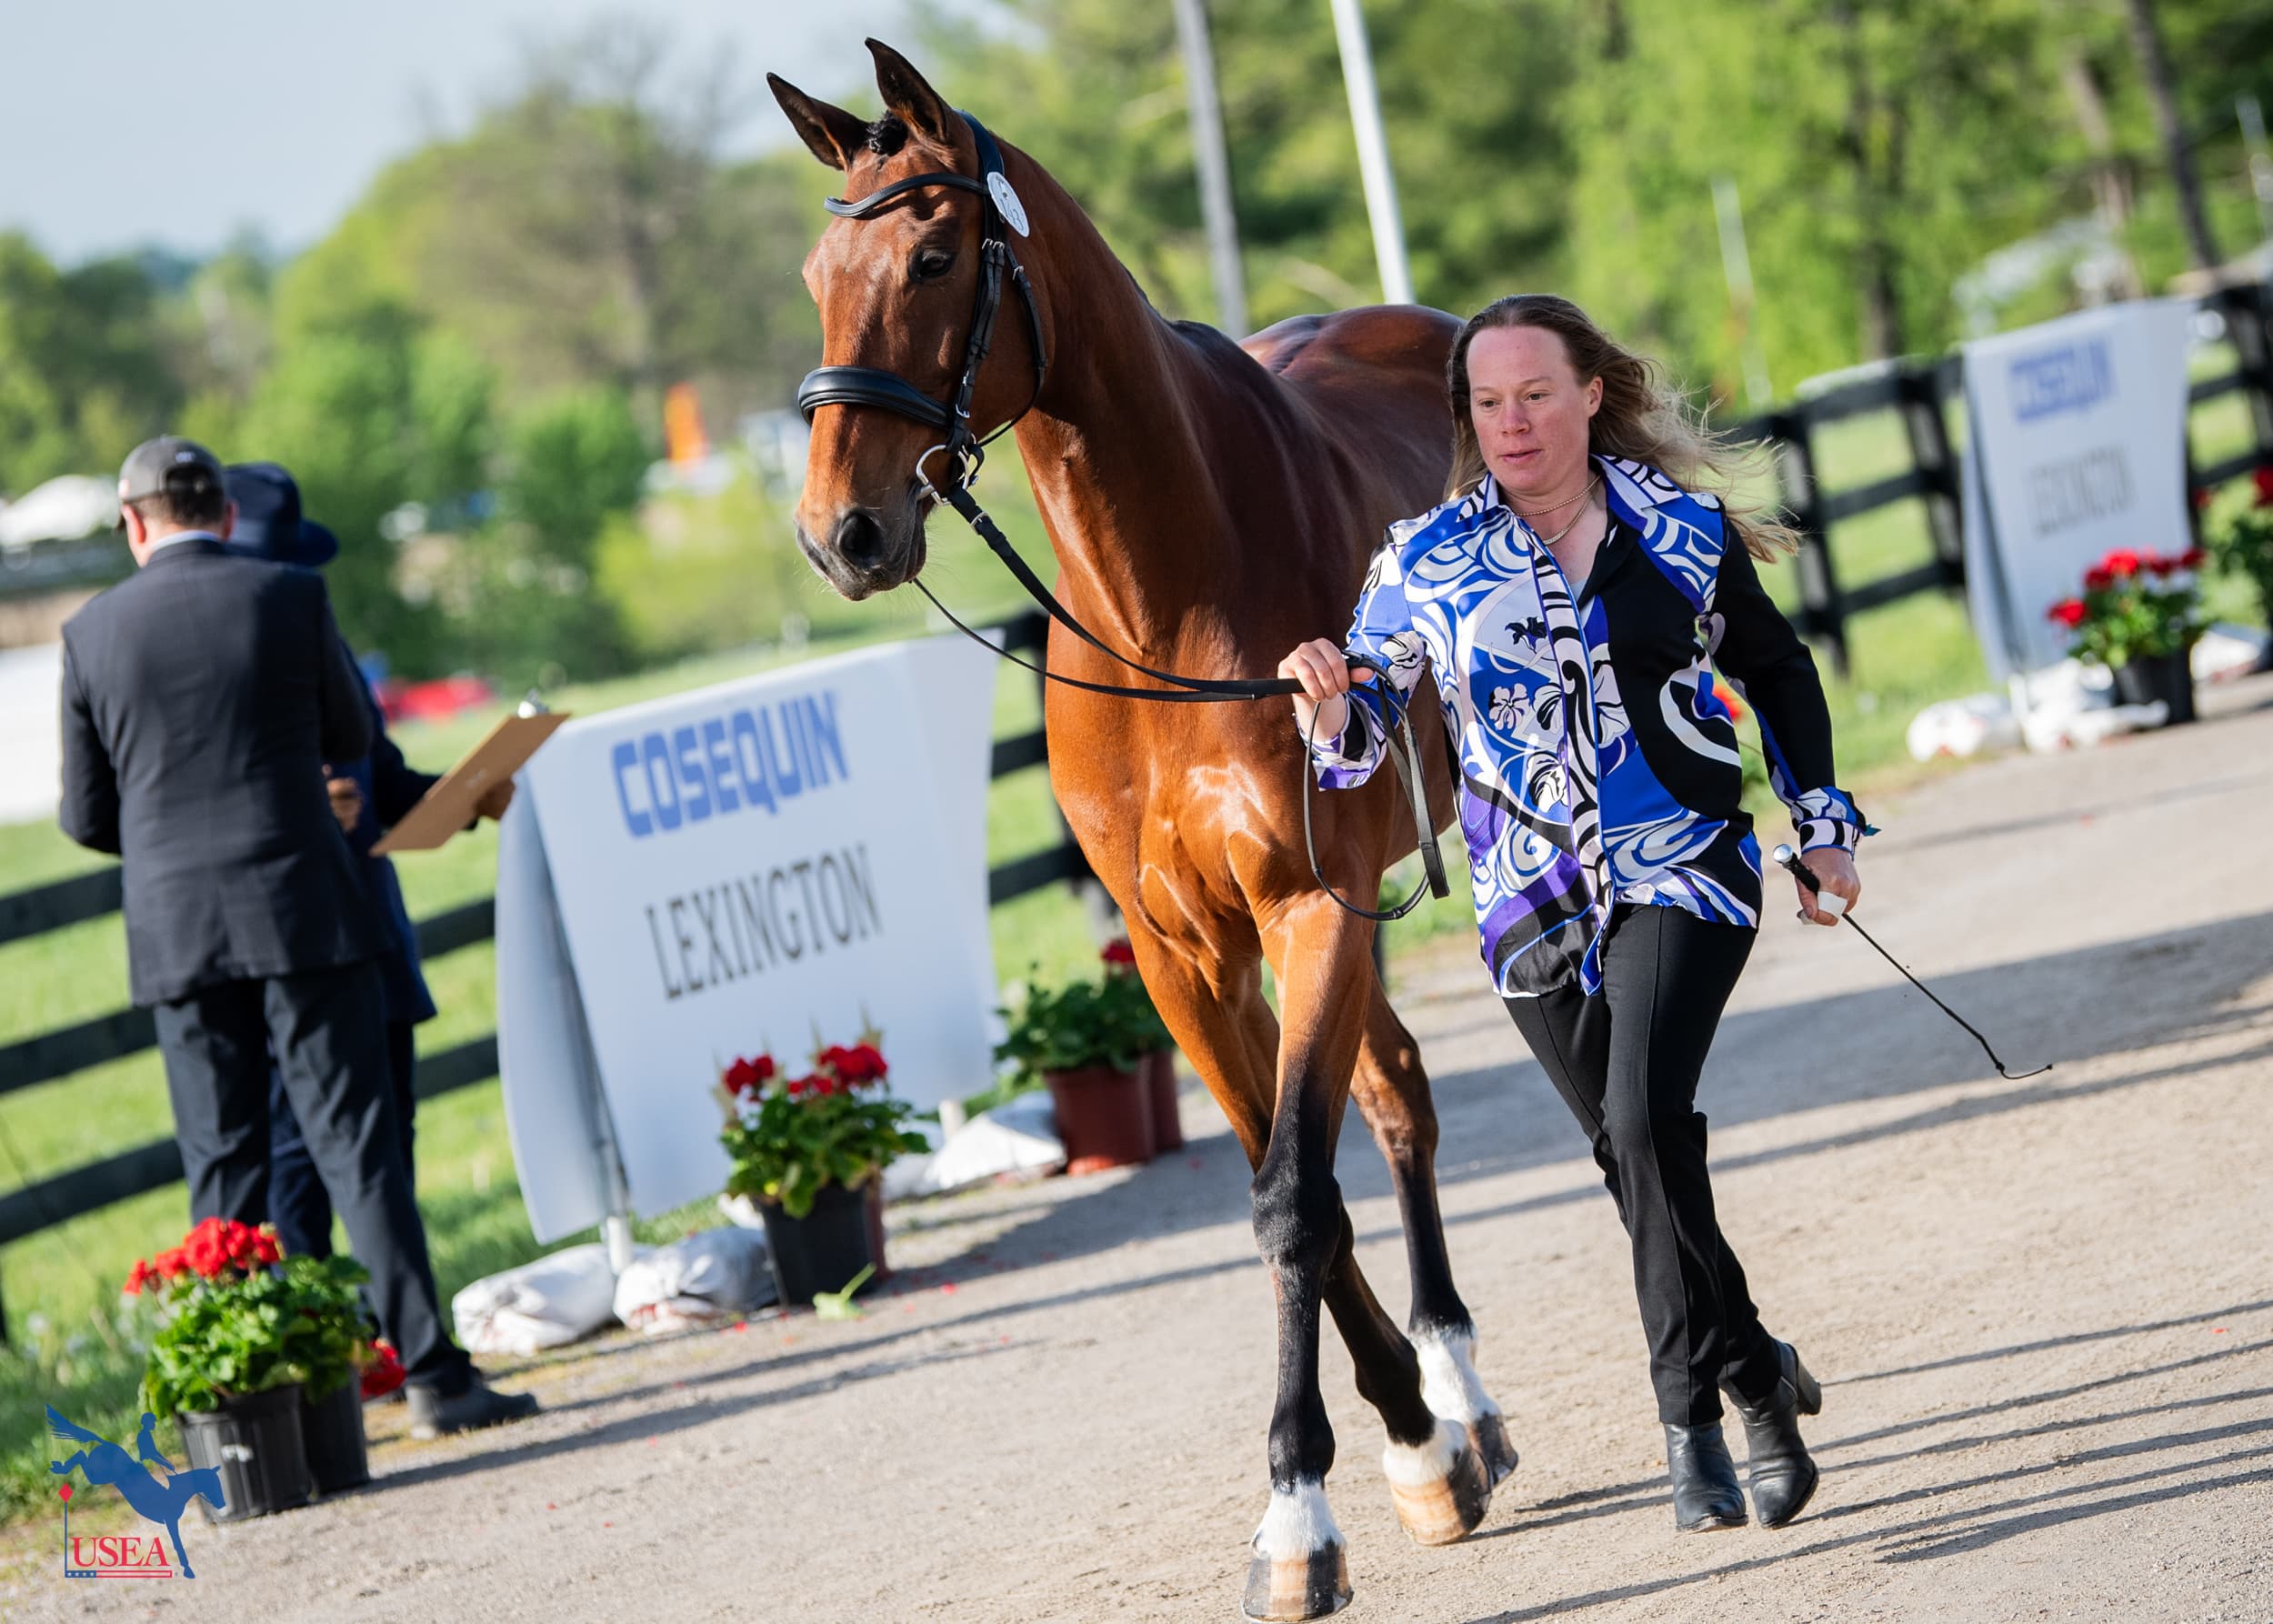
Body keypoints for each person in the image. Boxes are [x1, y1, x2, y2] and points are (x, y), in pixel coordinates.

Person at [1279, 296, 1867, 1532]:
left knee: (1646, 1120)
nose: (1513, 423)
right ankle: (1757, 1367)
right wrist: (1330, 703)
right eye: (1487, 403)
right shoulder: (1421, 563)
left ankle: (1689, 1421)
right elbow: (1361, 744)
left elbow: (1775, 667)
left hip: (1683, 864)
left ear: (1592, 391)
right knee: (1631, 1153)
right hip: (1527, 900)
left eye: (1536, 394)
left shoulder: (1679, 527)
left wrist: (1821, 822)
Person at [59, 436, 536, 1439]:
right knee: (360, 1152)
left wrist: (164, 840)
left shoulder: (89, 632)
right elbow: (345, 738)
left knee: (222, 1167)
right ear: (223, 515)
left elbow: (86, 815)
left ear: (133, 523)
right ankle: (435, 1377)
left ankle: (252, 1405)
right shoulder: (288, 597)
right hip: (302, 908)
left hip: (180, 929)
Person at [218, 463, 511, 1269]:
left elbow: (379, 778)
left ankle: (387, 1328)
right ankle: (321, 1337)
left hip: (370, 932)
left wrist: (471, 793)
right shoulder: (218, 661)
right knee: (296, 1159)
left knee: (391, 1146)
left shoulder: (326, 644)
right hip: (290, 946)